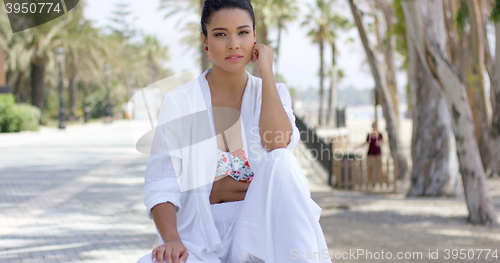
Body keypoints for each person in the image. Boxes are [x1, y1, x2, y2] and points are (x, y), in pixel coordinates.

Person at [136, 1, 330, 263]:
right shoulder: (181, 102)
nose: (233, 44)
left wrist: (267, 74)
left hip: (257, 232)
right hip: (200, 236)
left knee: (282, 160)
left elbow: (279, 143)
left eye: (242, 32)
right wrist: (171, 240)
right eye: (220, 34)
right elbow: (162, 183)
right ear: (205, 41)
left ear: (255, 37)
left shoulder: (271, 93)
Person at [358, 122, 385, 187]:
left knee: (379, 167)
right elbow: (366, 142)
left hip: (377, 152)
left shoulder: (380, 134)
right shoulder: (369, 135)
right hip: (370, 152)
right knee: (370, 168)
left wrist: (379, 143)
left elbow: (383, 141)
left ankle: (380, 180)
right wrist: (359, 145)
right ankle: (370, 181)